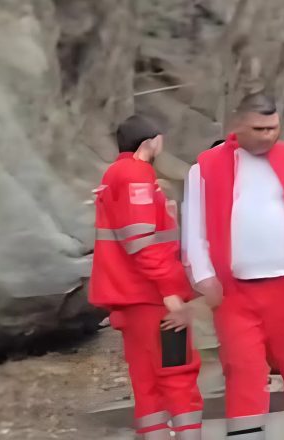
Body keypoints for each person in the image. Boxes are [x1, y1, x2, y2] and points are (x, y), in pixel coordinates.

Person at [183, 93, 284, 439]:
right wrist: (202, 274)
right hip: (234, 293)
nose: (268, 135)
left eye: (273, 128)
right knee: (243, 373)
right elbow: (194, 226)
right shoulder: (205, 168)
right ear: (238, 125)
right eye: (259, 129)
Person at [89, 115, 203, 440]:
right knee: (178, 377)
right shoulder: (136, 175)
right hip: (153, 299)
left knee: (147, 385)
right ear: (150, 142)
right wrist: (170, 293)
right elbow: (141, 242)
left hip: (131, 300)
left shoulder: (115, 175)